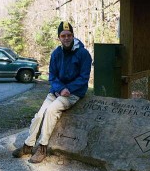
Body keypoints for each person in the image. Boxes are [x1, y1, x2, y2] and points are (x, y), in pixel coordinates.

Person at [12, 21, 92, 163]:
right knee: (39, 115)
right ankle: (28, 146)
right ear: (59, 37)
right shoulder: (56, 53)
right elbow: (52, 76)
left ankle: (42, 148)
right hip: (57, 91)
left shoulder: (83, 53)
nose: (66, 38)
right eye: (63, 35)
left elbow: (84, 77)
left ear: (73, 36)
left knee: (51, 111)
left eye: (69, 35)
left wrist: (68, 89)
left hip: (74, 93)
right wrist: (59, 89)